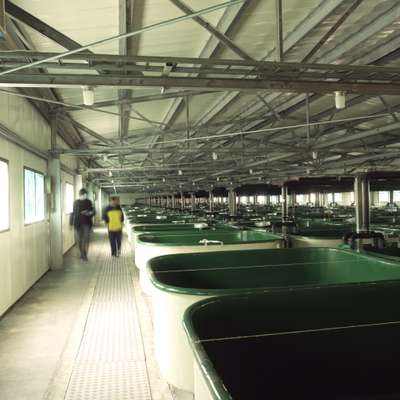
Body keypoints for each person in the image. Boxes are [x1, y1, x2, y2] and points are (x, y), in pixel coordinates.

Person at [70, 188, 95, 261]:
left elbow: (93, 211)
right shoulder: (76, 202)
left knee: (85, 239)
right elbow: (73, 213)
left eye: (85, 195)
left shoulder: (89, 202)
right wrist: (71, 223)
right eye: (84, 195)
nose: (85, 196)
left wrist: (89, 213)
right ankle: (82, 253)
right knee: (78, 240)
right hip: (77, 224)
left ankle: (84, 255)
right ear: (81, 195)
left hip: (86, 223)